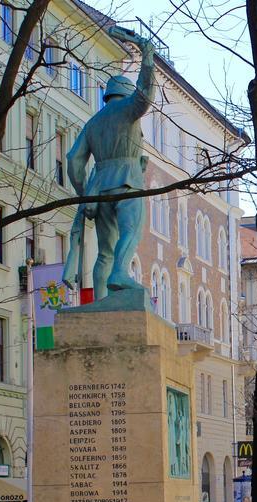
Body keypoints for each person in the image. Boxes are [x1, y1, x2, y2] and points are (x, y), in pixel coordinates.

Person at [62, 26, 156, 300]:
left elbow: (73, 161)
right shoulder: (128, 110)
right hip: (129, 183)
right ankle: (120, 273)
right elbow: (146, 95)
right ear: (126, 93)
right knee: (131, 231)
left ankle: (101, 301)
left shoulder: (93, 123)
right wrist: (147, 57)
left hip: (100, 190)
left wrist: (84, 194)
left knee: (104, 251)